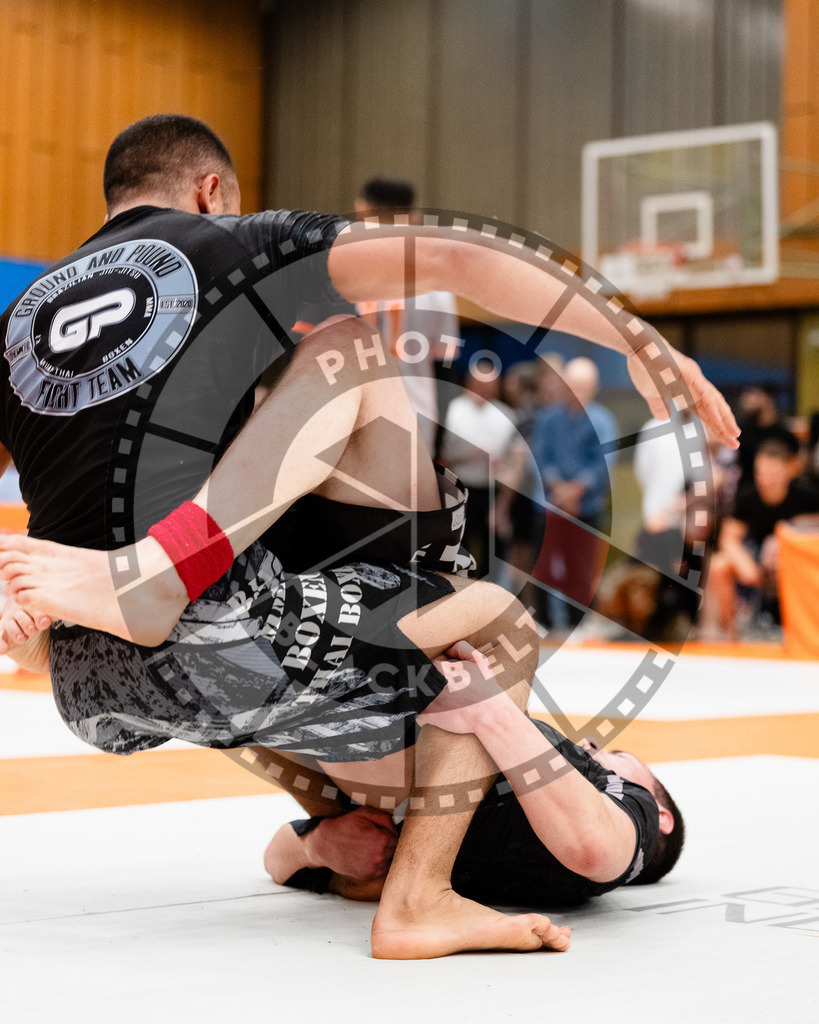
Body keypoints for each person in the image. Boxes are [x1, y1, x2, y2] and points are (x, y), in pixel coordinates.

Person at [0, 114, 738, 958]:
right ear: (213, 193)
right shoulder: (232, 243)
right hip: (208, 619)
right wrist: (637, 344)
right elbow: (462, 258)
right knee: (362, 374)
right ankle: (418, 900)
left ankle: (119, 591)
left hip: (89, 686)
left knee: (291, 468)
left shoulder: (19, 317)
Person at [262, 643, 682, 908]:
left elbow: (594, 846)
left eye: (618, 754)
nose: (594, 745)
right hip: (372, 730)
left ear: (661, 815)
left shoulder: (634, 807)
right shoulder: (533, 782)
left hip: (366, 736)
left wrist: (319, 847)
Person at [354, 177, 460, 453]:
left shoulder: (339, 273)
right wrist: (440, 441)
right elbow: (444, 370)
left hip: (351, 422)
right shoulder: (436, 284)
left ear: (362, 209)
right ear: (414, 218)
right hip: (416, 420)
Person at [699, 436, 819, 641]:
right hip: (755, 555)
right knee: (718, 566)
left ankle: (802, 630)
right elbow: (729, 539)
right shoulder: (747, 496)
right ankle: (731, 632)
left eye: (772, 473)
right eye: (760, 472)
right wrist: (745, 564)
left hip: (793, 561)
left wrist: (785, 538)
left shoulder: (806, 496)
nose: (765, 480)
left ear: (789, 470)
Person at [528, 356, 617, 627]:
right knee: (542, 567)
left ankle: (577, 625)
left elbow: (603, 463)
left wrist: (574, 491)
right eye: (572, 385)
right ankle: (542, 626)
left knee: (580, 569)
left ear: (594, 387)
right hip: (550, 504)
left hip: (585, 507)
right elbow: (541, 458)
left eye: (583, 386)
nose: (576, 392)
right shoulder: (548, 419)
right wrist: (559, 489)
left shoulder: (602, 420)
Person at [440, 359, 517, 577]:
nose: (485, 389)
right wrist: (471, 454)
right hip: (460, 489)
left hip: (493, 491)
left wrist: (503, 504)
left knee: (492, 551)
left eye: (490, 384)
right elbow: (442, 455)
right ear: (469, 382)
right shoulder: (453, 411)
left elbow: (515, 463)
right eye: (480, 383)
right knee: (459, 546)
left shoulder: (507, 416)